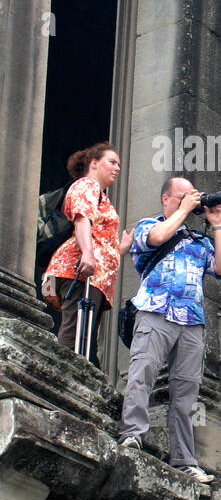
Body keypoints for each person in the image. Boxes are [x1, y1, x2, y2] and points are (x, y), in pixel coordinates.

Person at [118, 177, 221, 483]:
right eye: (182, 196)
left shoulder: (198, 240)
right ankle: (132, 435)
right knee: (143, 374)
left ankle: (185, 459)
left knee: (186, 395)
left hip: (191, 321)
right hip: (156, 311)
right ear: (166, 199)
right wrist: (183, 211)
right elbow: (156, 238)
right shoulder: (147, 226)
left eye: (192, 196)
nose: (189, 201)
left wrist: (217, 224)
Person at [41, 143, 132, 364]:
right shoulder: (87, 185)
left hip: (94, 275)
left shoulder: (101, 195)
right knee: (75, 333)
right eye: (112, 162)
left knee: (85, 336)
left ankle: (73, 376)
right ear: (93, 163)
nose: (117, 168)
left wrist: (122, 247)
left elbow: (102, 244)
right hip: (80, 270)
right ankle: (63, 378)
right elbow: (82, 219)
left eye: (119, 164)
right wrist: (87, 254)